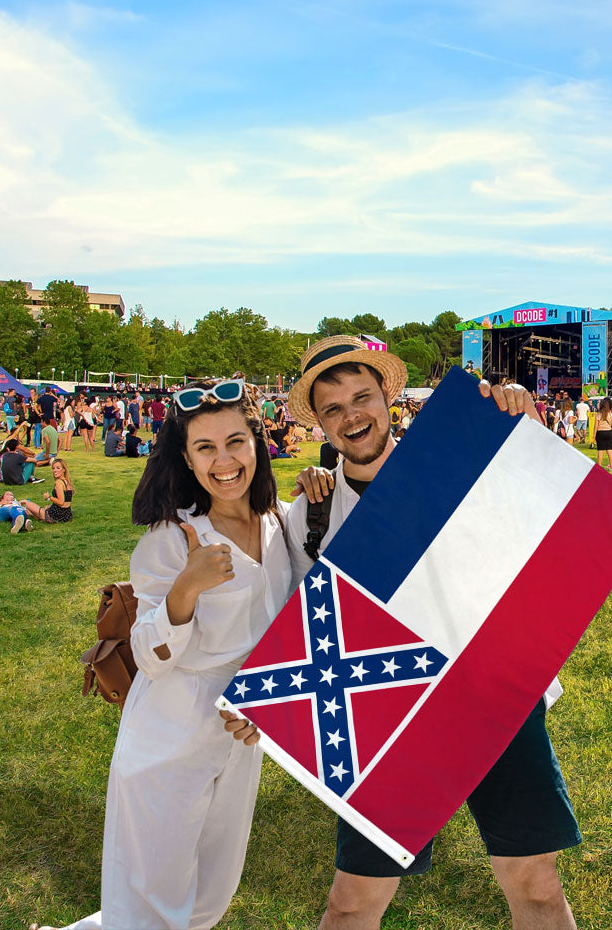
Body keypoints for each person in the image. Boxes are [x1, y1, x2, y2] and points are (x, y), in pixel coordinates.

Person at [225, 336, 581, 930]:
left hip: (491, 694)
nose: (351, 416)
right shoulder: (305, 514)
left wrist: (522, 421)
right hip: (384, 714)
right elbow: (292, 625)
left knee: (537, 888)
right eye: (333, 408)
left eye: (362, 397)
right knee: (351, 904)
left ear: (387, 399)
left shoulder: (459, 466)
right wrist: (263, 700)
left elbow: (542, 512)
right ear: (321, 422)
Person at [34, 378, 326, 930]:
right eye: (205, 448)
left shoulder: (278, 522)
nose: (224, 461)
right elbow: (152, 656)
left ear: (258, 442)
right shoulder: (171, 540)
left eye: (235, 441)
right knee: (150, 903)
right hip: (169, 733)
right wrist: (185, 589)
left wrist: (322, 485)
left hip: (241, 730)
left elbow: (306, 611)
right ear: (187, 459)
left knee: (208, 896)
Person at [22, 458, 74, 524]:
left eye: (58, 468)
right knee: (34, 511)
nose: (55, 470)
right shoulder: (67, 482)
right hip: (67, 515)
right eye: (53, 468)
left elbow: (61, 502)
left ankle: (19, 509)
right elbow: (66, 501)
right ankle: (28, 514)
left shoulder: (59, 482)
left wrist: (49, 497)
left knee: (27, 503)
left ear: (64, 469)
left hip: (56, 515)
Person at [594, 398, 612, 472]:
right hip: (609, 433)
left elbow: (595, 427)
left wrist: (594, 436)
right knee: (609, 450)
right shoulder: (611, 415)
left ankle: (599, 467)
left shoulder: (598, 415)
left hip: (600, 433)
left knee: (600, 451)